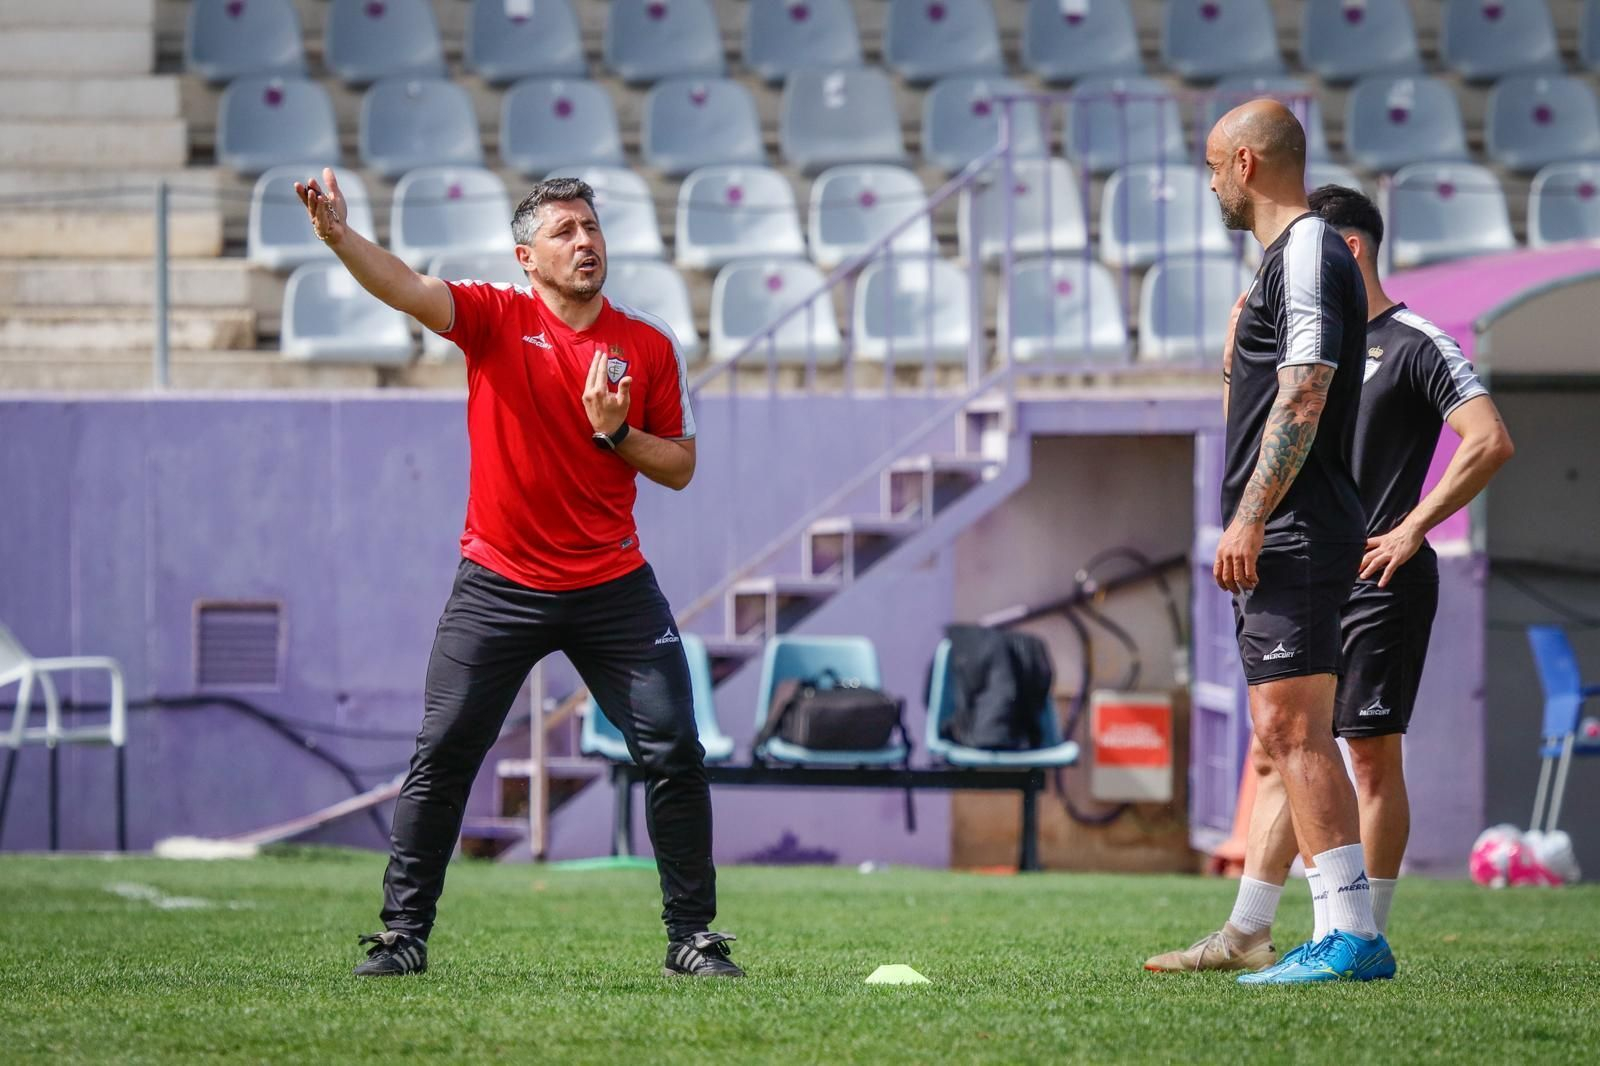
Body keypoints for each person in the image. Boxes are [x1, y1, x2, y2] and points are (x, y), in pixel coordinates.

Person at [295, 169, 743, 979]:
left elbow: (678, 467)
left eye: (592, 229)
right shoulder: (496, 318)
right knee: (444, 754)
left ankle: (693, 938)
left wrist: (614, 436)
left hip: (613, 584)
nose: (585, 242)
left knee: (675, 748)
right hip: (498, 582)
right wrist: (338, 237)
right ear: (525, 257)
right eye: (565, 231)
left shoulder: (645, 346)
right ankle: (402, 936)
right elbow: (405, 288)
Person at [1144, 185, 1513, 978]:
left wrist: (1415, 528)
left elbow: (1489, 440)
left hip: (1377, 572)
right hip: (1314, 565)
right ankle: (1251, 928)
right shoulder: (1298, 341)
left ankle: (1361, 933)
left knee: (1369, 756)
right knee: (1280, 746)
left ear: (1345, 252)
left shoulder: (1416, 342)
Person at [1182, 99, 1392, 985]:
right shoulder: (1285, 262)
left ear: (1245, 165)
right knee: (1285, 729)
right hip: (1293, 525)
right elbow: (1274, 382)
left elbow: (1304, 394)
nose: (1212, 186)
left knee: (1295, 727)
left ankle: (1350, 937)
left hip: (1297, 527)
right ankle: (1286, 931)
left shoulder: (1306, 248)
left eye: (1212, 167)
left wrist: (1251, 514)